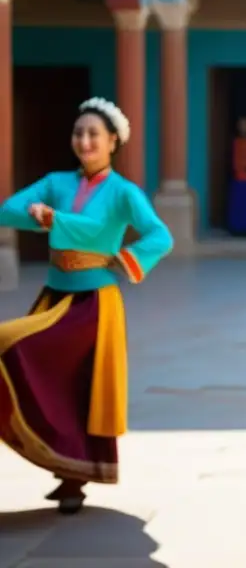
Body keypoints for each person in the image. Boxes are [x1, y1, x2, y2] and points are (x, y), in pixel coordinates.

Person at [0, 97, 173, 514]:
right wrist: (38, 213)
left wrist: (123, 257)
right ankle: (67, 471)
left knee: (41, 362)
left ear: (113, 141)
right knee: (56, 380)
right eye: (79, 133)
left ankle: (75, 474)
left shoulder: (124, 192)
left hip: (93, 303)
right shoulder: (56, 181)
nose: (85, 140)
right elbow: (8, 210)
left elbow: (159, 236)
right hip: (54, 294)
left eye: (94, 134)